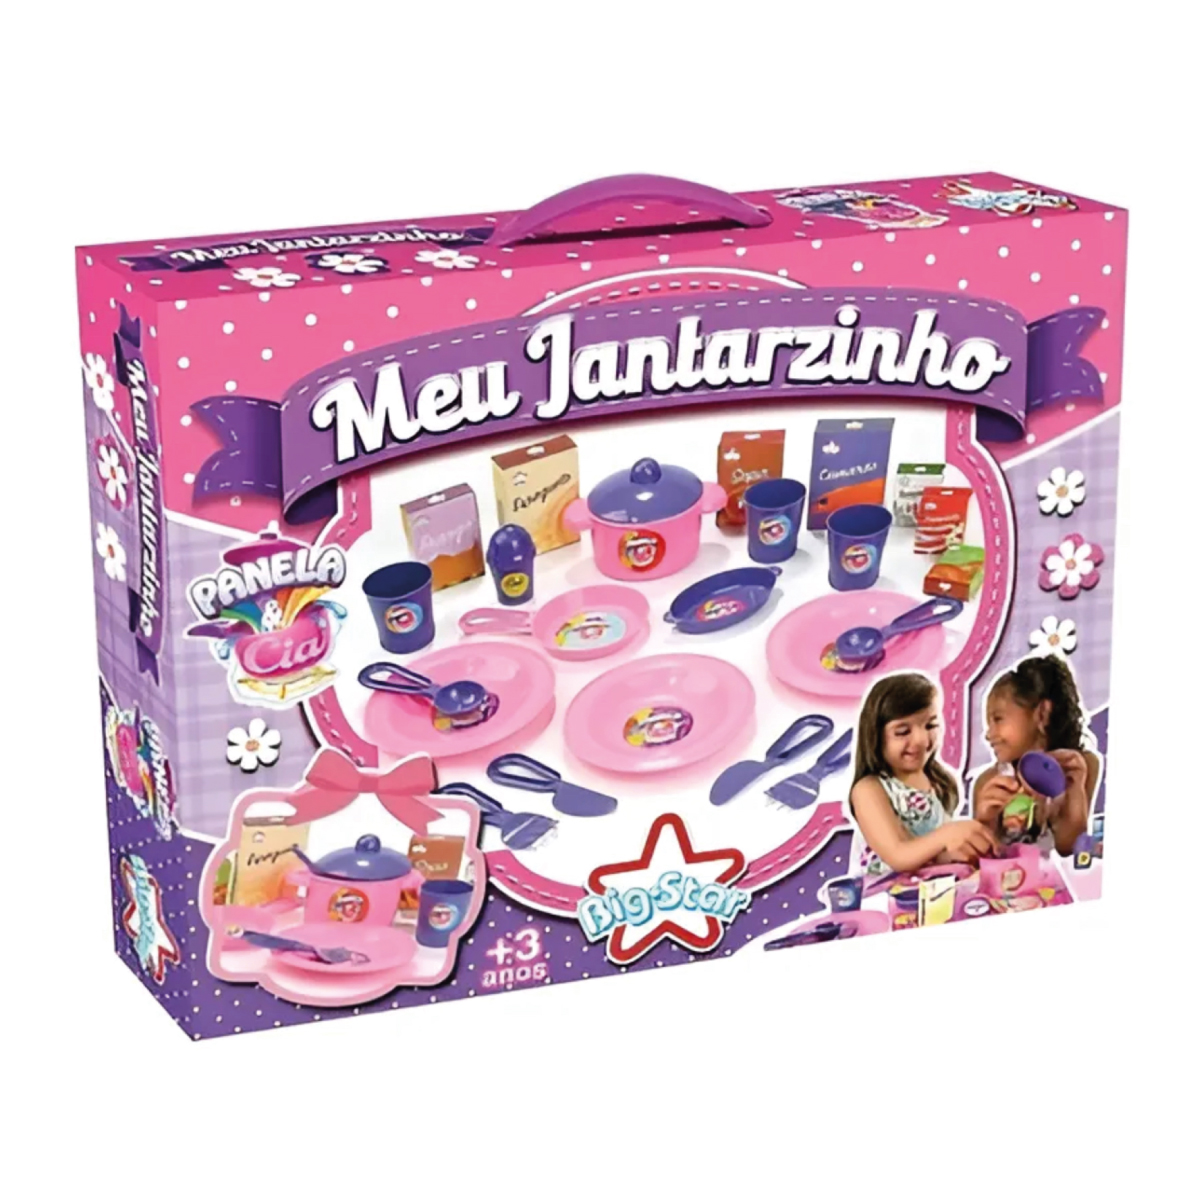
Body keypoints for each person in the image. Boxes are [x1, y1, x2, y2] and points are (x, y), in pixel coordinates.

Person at [848, 673, 996, 877]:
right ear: (875, 735)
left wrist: (978, 829)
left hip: (928, 888)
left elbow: (933, 856)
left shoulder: (939, 782)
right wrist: (948, 834)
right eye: (903, 732)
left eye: (930, 726)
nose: (920, 739)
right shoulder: (869, 789)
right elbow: (898, 855)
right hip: (882, 892)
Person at [973, 656, 1099, 856]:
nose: (988, 734)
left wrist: (1074, 791)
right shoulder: (989, 782)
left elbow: (1070, 849)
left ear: (1042, 713)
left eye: (997, 719)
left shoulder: (1079, 766)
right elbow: (980, 859)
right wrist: (985, 822)